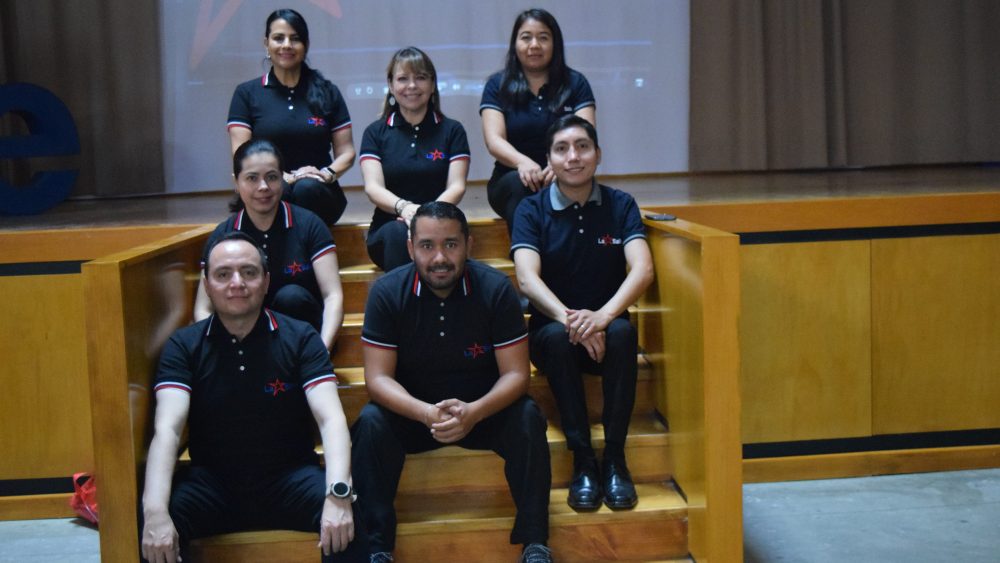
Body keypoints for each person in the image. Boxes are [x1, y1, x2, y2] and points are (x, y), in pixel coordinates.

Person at [141, 232, 366, 562]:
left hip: (289, 479)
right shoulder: (184, 346)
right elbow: (168, 431)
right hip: (212, 485)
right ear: (207, 284)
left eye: (249, 272)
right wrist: (155, 511)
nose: (237, 283)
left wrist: (338, 495)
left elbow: (331, 419)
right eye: (223, 274)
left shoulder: (301, 337)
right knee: (153, 526)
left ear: (266, 281)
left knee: (351, 520)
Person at [351, 202, 553, 563]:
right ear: (410, 248)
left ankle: (535, 543)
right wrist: (425, 413)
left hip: (481, 411)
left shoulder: (495, 288)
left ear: (469, 245)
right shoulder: (386, 292)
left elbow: (517, 375)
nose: (440, 258)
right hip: (415, 416)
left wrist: (474, 412)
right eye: (427, 245)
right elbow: (377, 379)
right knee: (370, 424)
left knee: (527, 417)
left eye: (451, 244)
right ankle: (377, 548)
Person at [511, 116, 654, 511]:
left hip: (606, 335)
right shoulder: (531, 209)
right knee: (558, 340)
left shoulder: (621, 204)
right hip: (553, 336)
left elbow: (643, 270)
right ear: (549, 160)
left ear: (598, 155)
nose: (573, 157)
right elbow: (526, 278)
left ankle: (616, 459)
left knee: (623, 334)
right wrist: (572, 320)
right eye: (561, 149)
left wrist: (602, 318)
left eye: (582, 147)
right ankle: (583, 460)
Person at [194, 138, 344, 352]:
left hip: (304, 343)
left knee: (291, 297)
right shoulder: (223, 235)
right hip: (244, 343)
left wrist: (321, 352)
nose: (263, 187)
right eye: (252, 178)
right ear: (236, 182)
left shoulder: (310, 225)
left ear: (282, 179)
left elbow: (333, 296)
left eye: (272, 177)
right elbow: (203, 308)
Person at [228, 8, 355, 225]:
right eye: (279, 38)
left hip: (318, 190)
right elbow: (241, 155)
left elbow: (347, 152)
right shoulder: (247, 93)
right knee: (281, 190)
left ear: (306, 45)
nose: (287, 45)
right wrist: (279, 176)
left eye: (295, 39)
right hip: (266, 188)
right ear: (266, 43)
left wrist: (325, 174)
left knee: (306, 188)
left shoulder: (328, 92)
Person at [480, 8, 596, 234]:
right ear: (515, 44)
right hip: (511, 179)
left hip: (567, 173)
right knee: (521, 184)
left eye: (543, 37)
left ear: (555, 44)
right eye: (526, 37)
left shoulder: (576, 83)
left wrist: (558, 165)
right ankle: (525, 250)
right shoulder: (497, 85)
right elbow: (494, 140)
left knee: (571, 186)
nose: (534, 45)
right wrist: (523, 163)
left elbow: (587, 135)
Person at [360, 47, 470, 271]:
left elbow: (457, 186)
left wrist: (425, 217)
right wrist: (404, 208)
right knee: (397, 233)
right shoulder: (375, 132)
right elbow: (373, 188)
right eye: (403, 79)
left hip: (441, 226)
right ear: (391, 85)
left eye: (420, 77)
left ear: (432, 84)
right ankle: (404, 295)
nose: (412, 85)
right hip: (389, 229)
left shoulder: (452, 130)